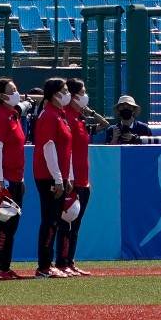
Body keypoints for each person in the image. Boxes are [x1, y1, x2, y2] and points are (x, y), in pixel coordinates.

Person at [31, 78, 75, 279]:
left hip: (58, 176)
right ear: (55, 94)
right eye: (64, 90)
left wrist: (67, 177)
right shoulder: (48, 115)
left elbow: (66, 149)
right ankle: (44, 266)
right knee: (49, 220)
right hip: (48, 176)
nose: (68, 94)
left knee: (55, 220)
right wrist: (57, 178)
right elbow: (48, 148)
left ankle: (48, 264)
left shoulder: (60, 115)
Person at [0, 77, 27, 280]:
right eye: (13, 90)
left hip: (17, 177)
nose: (16, 93)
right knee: (2, 223)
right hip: (6, 179)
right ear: (2, 96)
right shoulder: (0, 117)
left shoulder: (13, 116)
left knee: (11, 225)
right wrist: (0, 181)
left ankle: (5, 265)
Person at [61, 78, 94, 276]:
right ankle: (62, 262)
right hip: (72, 180)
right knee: (67, 222)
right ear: (72, 97)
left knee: (76, 223)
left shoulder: (79, 118)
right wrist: (70, 178)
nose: (84, 96)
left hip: (83, 180)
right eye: (82, 93)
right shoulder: (67, 118)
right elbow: (68, 152)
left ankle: (70, 261)